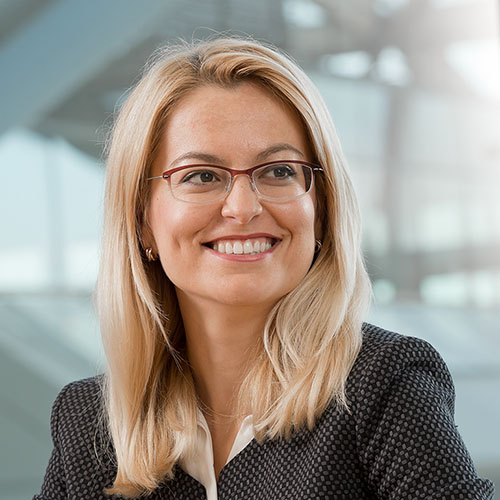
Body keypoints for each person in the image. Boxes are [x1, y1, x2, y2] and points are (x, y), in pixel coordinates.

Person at [34, 37, 494, 500]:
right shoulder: (88, 425)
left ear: (322, 208)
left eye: (278, 171)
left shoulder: (381, 387)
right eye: (201, 176)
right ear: (142, 222)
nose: (242, 207)